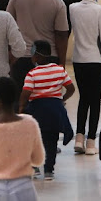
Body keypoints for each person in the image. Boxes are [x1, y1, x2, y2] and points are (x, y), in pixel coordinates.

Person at [7, 0, 70, 89]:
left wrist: (9, 54)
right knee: (45, 96)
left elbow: (7, 24)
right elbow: (61, 35)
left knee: (20, 98)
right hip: (48, 58)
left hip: (21, 55)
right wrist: (62, 62)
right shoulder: (57, 2)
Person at [20, 40, 75, 180]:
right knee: (51, 141)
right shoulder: (59, 70)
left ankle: (35, 167)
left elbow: (26, 94)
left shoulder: (32, 74)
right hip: (55, 111)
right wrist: (61, 99)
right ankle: (49, 170)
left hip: (37, 111)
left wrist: (21, 108)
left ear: (37, 56)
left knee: (34, 140)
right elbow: (71, 89)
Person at [69, 0, 101, 155]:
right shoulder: (100, 10)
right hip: (96, 60)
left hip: (78, 59)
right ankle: (91, 142)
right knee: (95, 101)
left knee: (83, 98)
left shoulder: (72, 9)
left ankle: (79, 138)